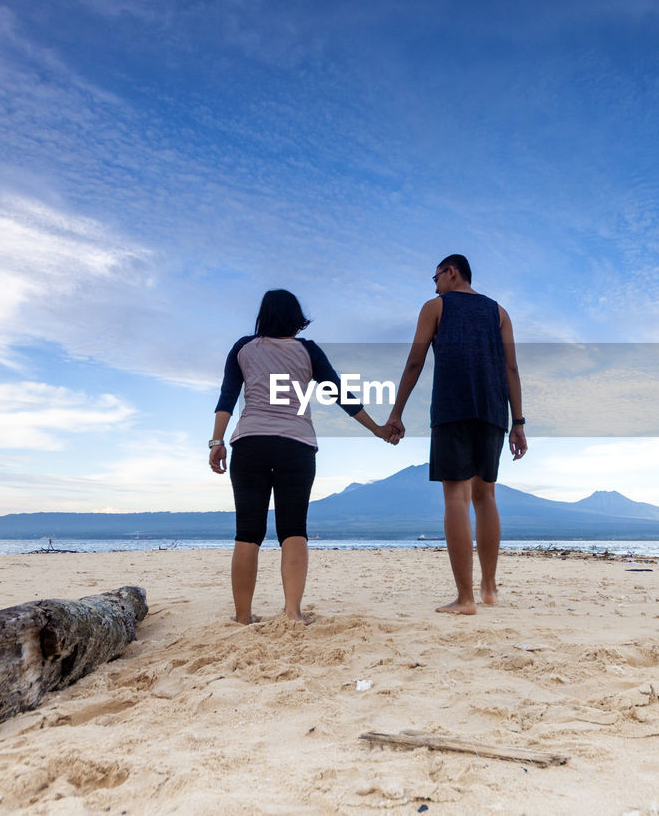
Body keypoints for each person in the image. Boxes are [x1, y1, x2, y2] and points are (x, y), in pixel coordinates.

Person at [209, 289, 394, 625]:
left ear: (263, 316)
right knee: (293, 528)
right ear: (296, 318)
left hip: (250, 443)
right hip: (296, 445)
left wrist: (216, 441)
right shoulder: (307, 351)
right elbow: (341, 394)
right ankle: (292, 613)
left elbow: (227, 398)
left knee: (247, 531)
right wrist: (377, 429)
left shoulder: (243, 348)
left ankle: (242, 616)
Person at [386, 255, 526, 615]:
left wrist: (397, 411)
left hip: (452, 408)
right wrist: (518, 421)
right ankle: (489, 589)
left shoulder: (436, 307)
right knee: (486, 495)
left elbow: (415, 360)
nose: (433, 285)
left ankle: (465, 599)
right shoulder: (500, 313)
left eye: (435, 277)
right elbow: (511, 366)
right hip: (494, 411)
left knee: (456, 497)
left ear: (451, 272)